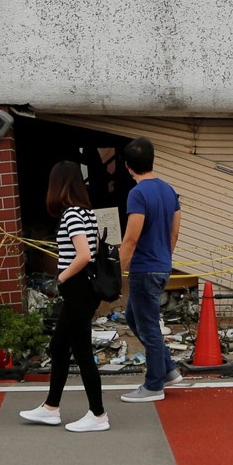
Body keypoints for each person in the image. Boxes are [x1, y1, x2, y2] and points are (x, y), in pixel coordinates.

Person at [18, 161, 109, 432]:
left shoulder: (71, 215)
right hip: (85, 289)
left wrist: (61, 277)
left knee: (82, 352)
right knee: (59, 347)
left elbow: (84, 255)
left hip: (78, 288)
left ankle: (98, 414)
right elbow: (92, 250)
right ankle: (50, 407)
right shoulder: (87, 213)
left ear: (58, 185)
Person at [118, 137, 185, 403]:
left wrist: (117, 272)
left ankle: (154, 385)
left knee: (147, 328)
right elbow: (175, 232)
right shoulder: (169, 190)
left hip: (144, 269)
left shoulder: (137, 194)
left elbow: (131, 238)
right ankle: (168, 369)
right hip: (161, 265)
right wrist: (165, 258)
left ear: (127, 166)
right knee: (134, 317)